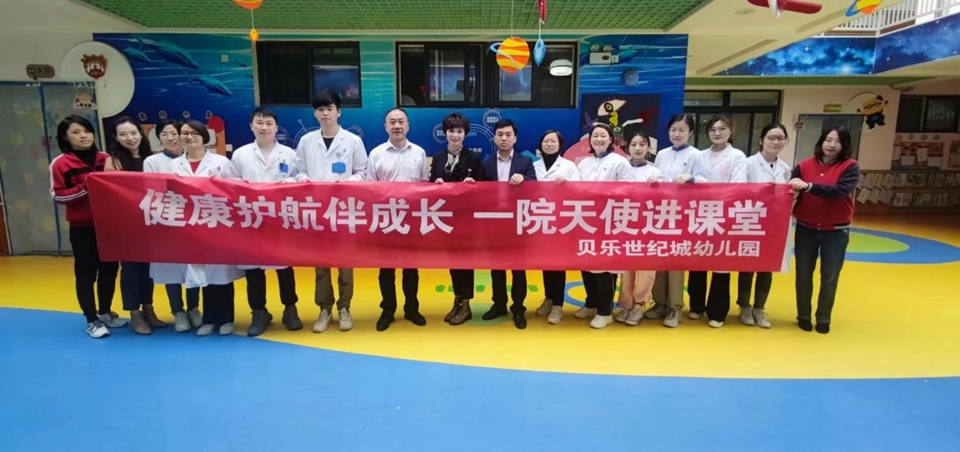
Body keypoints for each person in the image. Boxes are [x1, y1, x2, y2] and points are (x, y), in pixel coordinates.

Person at [291, 91, 367, 334]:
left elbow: (362, 173)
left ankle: (344, 308)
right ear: (315, 113)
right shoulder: (306, 141)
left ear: (338, 112)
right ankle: (324, 309)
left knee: (345, 264)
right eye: (320, 109)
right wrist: (306, 181)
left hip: (344, 211)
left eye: (329, 109)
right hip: (316, 211)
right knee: (321, 266)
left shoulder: (353, 141)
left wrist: (346, 184)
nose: (325, 113)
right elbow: (298, 171)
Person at [221, 107, 302, 337]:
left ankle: (290, 309)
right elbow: (229, 181)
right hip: (251, 220)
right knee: (254, 270)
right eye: (259, 123)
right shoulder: (241, 154)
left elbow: (299, 178)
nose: (264, 127)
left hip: (280, 219)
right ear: (251, 126)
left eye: (268, 123)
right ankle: (259, 312)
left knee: (284, 268)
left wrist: (287, 185)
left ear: (276, 128)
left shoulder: (290, 153)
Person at [49, 115, 127, 338]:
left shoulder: (107, 158)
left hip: (109, 225)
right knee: (86, 272)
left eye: (87, 131)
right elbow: (59, 196)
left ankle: (105, 312)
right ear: (65, 137)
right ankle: (91, 319)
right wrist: (89, 184)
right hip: (82, 227)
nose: (83, 136)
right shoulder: (61, 163)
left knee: (109, 270)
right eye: (76, 132)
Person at [167, 119, 244, 336]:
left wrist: (218, 183)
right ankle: (208, 319)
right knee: (203, 275)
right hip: (189, 226)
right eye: (185, 133)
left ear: (204, 137)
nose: (189, 137)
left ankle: (226, 319)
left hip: (217, 224)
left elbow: (233, 191)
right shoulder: (174, 165)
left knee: (221, 274)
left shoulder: (221, 162)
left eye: (194, 133)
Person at [675, 114, 747, 328]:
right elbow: (688, 182)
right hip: (698, 215)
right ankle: (697, 306)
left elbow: (737, 187)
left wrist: (699, 183)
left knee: (721, 265)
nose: (717, 133)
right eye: (713, 129)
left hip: (724, 216)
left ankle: (717, 311)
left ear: (731, 131)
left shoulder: (737, 156)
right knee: (698, 261)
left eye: (722, 129)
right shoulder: (699, 156)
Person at [788, 126, 859, 334]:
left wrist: (809, 186)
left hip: (836, 231)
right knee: (803, 274)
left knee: (829, 276)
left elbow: (840, 191)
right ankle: (803, 315)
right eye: (828, 140)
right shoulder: (803, 165)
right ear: (821, 141)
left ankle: (823, 317)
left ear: (845, 145)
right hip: (806, 228)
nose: (832, 145)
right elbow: (790, 189)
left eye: (837, 141)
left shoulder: (850, 166)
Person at [365, 108, 429, 331]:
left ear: (408, 126)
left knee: (411, 268)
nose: (397, 126)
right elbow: (369, 189)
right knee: (386, 270)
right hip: (385, 219)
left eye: (401, 121)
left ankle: (412, 308)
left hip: (411, 219)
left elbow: (424, 185)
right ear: (385, 127)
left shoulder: (419, 152)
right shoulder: (376, 154)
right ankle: (388, 310)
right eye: (392, 122)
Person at [105, 116, 166, 335]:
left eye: (133, 133)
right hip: (127, 223)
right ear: (116, 138)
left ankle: (148, 307)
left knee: (149, 269)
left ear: (141, 133)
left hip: (150, 222)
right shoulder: (113, 162)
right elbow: (112, 194)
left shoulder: (152, 158)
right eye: (123, 134)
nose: (130, 138)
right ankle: (134, 312)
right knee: (131, 269)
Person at [144, 119, 202, 332]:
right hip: (167, 222)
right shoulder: (153, 161)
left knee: (194, 267)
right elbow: (152, 191)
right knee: (171, 270)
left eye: (175, 133)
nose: (171, 138)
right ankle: (177, 311)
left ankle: (193, 308)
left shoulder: (196, 158)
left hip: (194, 222)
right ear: (158, 138)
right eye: (164, 134)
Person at [574, 123, 634, 329]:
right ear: (590, 140)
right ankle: (591, 303)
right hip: (586, 220)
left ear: (610, 140)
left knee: (604, 267)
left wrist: (604, 194)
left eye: (603, 136)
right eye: (595, 136)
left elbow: (629, 189)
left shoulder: (620, 162)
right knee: (586, 263)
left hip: (610, 221)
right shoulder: (583, 163)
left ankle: (605, 311)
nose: (598, 139)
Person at [645, 113, 700, 328]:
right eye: (673, 130)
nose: (677, 134)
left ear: (690, 133)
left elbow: (707, 183)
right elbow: (658, 176)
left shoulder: (697, 155)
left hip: (683, 215)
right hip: (660, 213)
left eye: (682, 130)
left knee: (676, 262)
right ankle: (660, 302)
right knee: (659, 259)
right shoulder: (662, 154)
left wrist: (692, 179)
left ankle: (675, 307)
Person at [480, 119, 536, 330]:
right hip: (494, 224)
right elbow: (478, 193)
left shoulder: (525, 162)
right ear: (494, 138)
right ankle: (499, 304)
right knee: (496, 268)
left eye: (508, 135)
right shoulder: (485, 164)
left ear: (515, 138)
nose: (504, 138)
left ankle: (518, 308)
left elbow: (536, 187)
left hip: (518, 223)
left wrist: (524, 179)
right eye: (500, 134)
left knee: (518, 269)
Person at [430, 113, 484, 326]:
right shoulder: (438, 157)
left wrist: (473, 184)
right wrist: (435, 183)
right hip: (445, 219)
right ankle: (457, 300)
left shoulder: (473, 158)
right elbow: (428, 184)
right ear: (445, 133)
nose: (455, 135)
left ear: (465, 134)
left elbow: (485, 186)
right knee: (453, 262)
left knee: (466, 263)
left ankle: (466, 304)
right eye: (451, 131)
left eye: (459, 131)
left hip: (466, 219)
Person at [737, 123, 792, 329]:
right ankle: (744, 306)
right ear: (761, 140)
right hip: (751, 220)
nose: (775, 142)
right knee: (747, 265)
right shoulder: (748, 163)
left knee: (767, 267)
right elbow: (739, 190)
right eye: (771, 137)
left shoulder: (785, 169)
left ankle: (759, 308)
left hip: (774, 223)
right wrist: (762, 191)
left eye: (780, 138)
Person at [531, 130, 580, 325]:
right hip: (540, 220)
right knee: (545, 263)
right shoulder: (533, 166)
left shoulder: (569, 166)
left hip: (561, 222)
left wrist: (567, 184)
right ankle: (549, 298)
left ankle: (558, 305)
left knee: (558, 264)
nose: (549, 144)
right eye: (546, 141)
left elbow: (579, 190)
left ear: (560, 145)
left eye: (553, 141)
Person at [615, 131, 662, 326]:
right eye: (633, 144)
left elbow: (665, 199)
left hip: (648, 225)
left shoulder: (655, 172)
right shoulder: (621, 168)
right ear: (627, 147)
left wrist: (656, 187)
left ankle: (640, 304)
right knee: (625, 268)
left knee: (645, 267)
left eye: (642, 144)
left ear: (648, 148)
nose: (637, 148)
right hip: (625, 224)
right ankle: (626, 304)